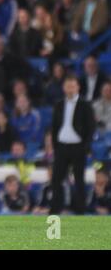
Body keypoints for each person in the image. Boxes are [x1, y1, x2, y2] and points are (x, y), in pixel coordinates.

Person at [51, 74, 96, 214]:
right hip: (62, 147)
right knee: (56, 180)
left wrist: (85, 146)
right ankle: (55, 211)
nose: (70, 89)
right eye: (67, 86)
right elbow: (54, 127)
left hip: (78, 147)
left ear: (78, 87)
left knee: (79, 181)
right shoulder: (59, 105)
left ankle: (80, 211)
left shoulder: (85, 105)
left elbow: (91, 127)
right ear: (64, 88)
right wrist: (55, 146)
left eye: (72, 86)